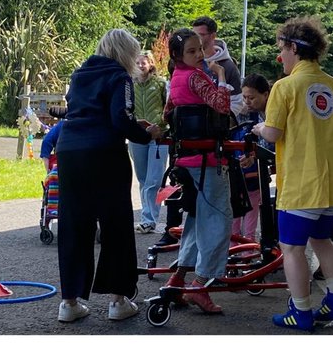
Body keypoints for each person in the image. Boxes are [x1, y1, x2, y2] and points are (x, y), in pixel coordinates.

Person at [253, 16, 333, 330]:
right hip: (332, 185)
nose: (278, 56)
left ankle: (301, 311)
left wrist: (258, 127)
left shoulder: (285, 87)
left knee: (292, 249)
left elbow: (272, 133)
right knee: (323, 239)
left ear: (294, 48)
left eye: (281, 49)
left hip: (300, 185)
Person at [54, 28, 163, 324]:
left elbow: (84, 112)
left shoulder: (79, 75)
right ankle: (118, 299)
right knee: (115, 223)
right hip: (105, 154)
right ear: (126, 53)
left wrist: (128, 122)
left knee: (74, 223)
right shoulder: (119, 77)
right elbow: (119, 120)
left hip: (70, 151)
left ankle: (69, 302)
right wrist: (146, 133)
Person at [164, 27, 234, 313]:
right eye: (191, 51)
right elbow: (221, 104)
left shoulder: (176, 78)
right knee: (218, 220)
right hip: (207, 160)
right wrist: (220, 77)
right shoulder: (195, 76)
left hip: (186, 160)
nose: (198, 55)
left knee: (195, 221)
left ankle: (178, 278)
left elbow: (168, 111)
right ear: (179, 54)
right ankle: (201, 285)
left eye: (199, 50)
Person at [129, 50, 169, 235]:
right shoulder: (129, 85)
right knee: (143, 179)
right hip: (137, 135)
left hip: (159, 135)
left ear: (150, 64)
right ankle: (148, 217)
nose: (140, 66)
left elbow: (168, 107)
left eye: (143, 63)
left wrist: (163, 123)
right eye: (137, 63)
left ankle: (148, 219)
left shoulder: (160, 83)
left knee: (154, 180)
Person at [232, 73, 271, 241]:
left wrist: (253, 156)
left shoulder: (270, 113)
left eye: (252, 98)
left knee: (254, 207)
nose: (247, 101)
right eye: (245, 97)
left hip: (257, 172)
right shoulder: (243, 112)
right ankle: (235, 244)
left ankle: (250, 242)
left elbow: (270, 141)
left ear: (266, 95)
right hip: (242, 168)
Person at [192, 14, 243, 113]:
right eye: (194, 35)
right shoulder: (189, 63)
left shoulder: (228, 66)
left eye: (201, 35)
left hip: (216, 124)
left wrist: (221, 121)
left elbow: (236, 102)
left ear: (213, 36)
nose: (196, 39)